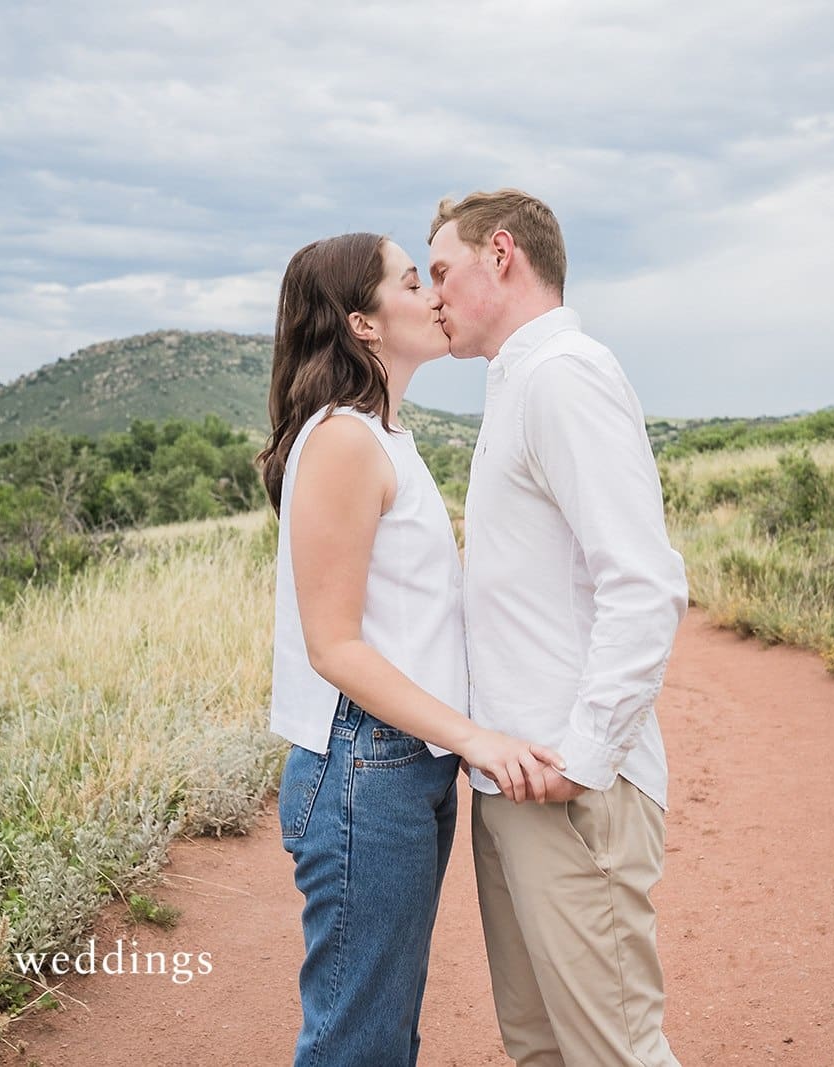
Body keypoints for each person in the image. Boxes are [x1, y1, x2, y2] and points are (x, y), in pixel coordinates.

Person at [259, 231, 564, 1067]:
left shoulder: (384, 436)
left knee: (383, 1031)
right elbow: (334, 647)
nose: (434, 295)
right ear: (362, 322)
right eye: (410, 281)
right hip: (365, 765)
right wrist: (476, 738)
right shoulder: (343, 440)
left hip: (403, 766)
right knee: (358, 1040)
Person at [428, 191, 690, 1067]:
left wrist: (585, 755)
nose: (433, 295)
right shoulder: (516, 383)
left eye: (442, 271)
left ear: (500, 254)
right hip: (513, 782)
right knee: (539, 1047)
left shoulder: (563, 375)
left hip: (570, 791)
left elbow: (644, 582)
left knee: (615, 1053)